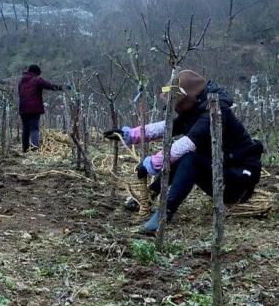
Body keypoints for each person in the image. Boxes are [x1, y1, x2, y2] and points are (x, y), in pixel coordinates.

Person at [104, 70, 263, 232]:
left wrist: (152, 163)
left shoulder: (214, 112)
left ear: (188, 98)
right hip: (222, 173)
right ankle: (151, 194)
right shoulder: (196, 109)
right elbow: (166, 127)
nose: (175, 107)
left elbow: (187, 143)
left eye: (178, 102)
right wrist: (130, 135)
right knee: (186, 157)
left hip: (238, 183)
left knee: (190, 159)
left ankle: (165, 213)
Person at [18, 64, 67, 152]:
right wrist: (63, 87)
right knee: (34, 129)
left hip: (23, 109)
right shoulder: (37, 80)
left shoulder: (21, 81)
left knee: (25, 129)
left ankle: (25, 150)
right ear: (36, 72)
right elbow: (50, 86)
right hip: (34, 109)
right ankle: (34, 149)